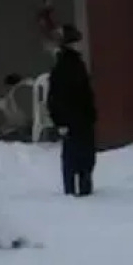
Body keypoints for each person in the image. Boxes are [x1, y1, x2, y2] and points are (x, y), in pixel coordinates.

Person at [47, 24, 97, 196]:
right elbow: (56, 98)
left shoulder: (76, 64)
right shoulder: (64, 67)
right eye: (76, 42)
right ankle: (74, 190)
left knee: (82, 156)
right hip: (73, 119)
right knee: (75, 156)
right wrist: (60, 120)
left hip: (81, 118)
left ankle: (82, 187)